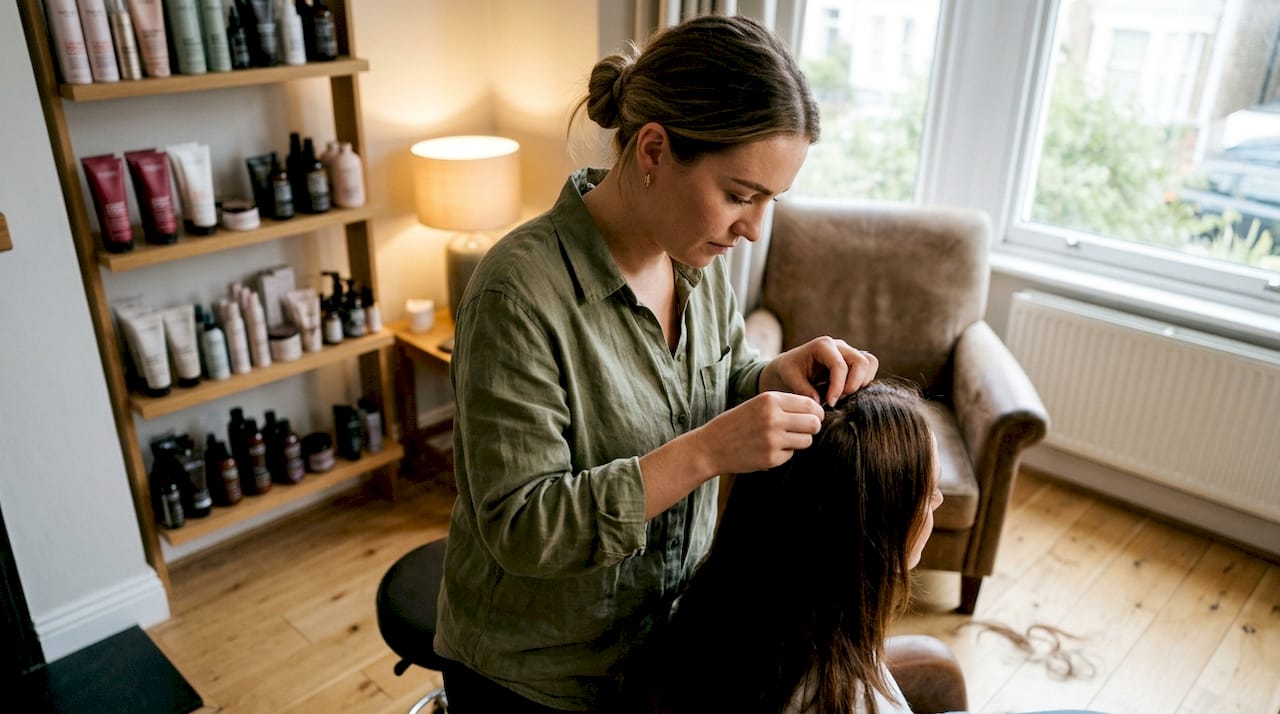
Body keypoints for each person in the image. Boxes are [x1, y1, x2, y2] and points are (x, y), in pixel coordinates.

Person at [433, 14, 878, 713]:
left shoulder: (696, 260)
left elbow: (720, 376)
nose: (754, 229)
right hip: (536, 677)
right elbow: (523, 527)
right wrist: (705, 454)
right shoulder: (515, 294)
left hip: (660, 647)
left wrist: (770, 376)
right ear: (652, 150)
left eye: (769, 201)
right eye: (739, 194)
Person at [632, 380, 945, 714]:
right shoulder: (851, 702)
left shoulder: (697, 619)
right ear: (873, 534)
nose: (938, 501)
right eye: (926, 494)